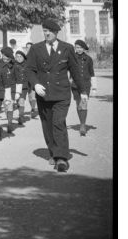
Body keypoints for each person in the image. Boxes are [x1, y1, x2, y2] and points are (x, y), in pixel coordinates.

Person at [26, 19, 85, 172]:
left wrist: (83, 92)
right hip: (43, 94)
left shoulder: (67, 48)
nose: (47, 34)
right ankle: (53, 152)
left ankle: (62, 158)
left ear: (56, 33)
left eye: (50, 31)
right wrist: (35, 84)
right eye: (45, 31)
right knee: (47, 125)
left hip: (62, 94)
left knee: (58, 122)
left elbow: (75, 71)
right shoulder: (36, 49)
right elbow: (29, 70)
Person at [72, 39, 97, 136]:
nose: (78, 49)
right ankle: (81, 121)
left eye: (80, 47)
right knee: (78, 104)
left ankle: (82, 125)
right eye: (76, 47)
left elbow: (92, 73)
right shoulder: (72, 58)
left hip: (86, 85)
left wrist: (94, 88)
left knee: (83, 104)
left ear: (83, 48)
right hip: (75, 85)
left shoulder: (89, 59)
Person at [0, 47, 17, 134]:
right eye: (4, 57)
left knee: (10, 106)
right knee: (5, 107)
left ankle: (9, 123)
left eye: (8, 58)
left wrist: (17, 92)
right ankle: (8, 119)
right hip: (1, 89)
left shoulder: (14, 65)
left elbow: (17, 78)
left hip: (11, 89)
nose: (6, 59)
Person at [13, 50, 30, 126]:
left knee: (21, 101)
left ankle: (21, 117)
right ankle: (20, 110)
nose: (19, 58)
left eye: (20, 56)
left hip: (24, 86)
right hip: (15, 86)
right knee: (17, 102)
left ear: (24, 57)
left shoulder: (28, 65)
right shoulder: (13, 65)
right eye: (17, 57)